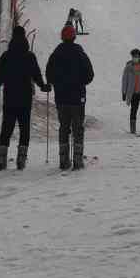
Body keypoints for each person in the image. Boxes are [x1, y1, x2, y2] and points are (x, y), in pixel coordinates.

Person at [0, 25, 49, 171]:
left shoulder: (6, 56)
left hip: (10, 96)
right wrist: (43, 86)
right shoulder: (29, 56)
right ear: (24, 37)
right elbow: (36, 74)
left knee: (6, 128)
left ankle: (1, 160)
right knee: (24, 129)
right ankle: (21, 160)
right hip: (24, 97)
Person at [45, 25, 94, 170]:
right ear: (74, 37)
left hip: (61, 97)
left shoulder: (56, 54)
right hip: (78, 97)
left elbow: (49, 74)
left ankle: (63, 160)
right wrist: (80, 83)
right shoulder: (80, 53)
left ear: (62, 37)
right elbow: (90, 74)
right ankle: (78, 161)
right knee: (78, 128)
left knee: (64, 127)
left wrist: (57, 84)